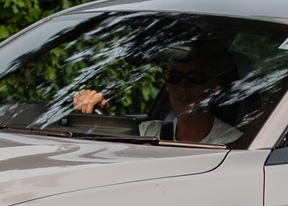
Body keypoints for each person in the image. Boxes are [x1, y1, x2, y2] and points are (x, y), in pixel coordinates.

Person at [71, 49, 246, 146]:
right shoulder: (147, 133)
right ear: (167, 84)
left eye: (195, 78)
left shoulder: (230, 143)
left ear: (213, 86)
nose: (183, 87)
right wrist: (97, 117)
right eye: (174, 77)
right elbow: (111, 153)